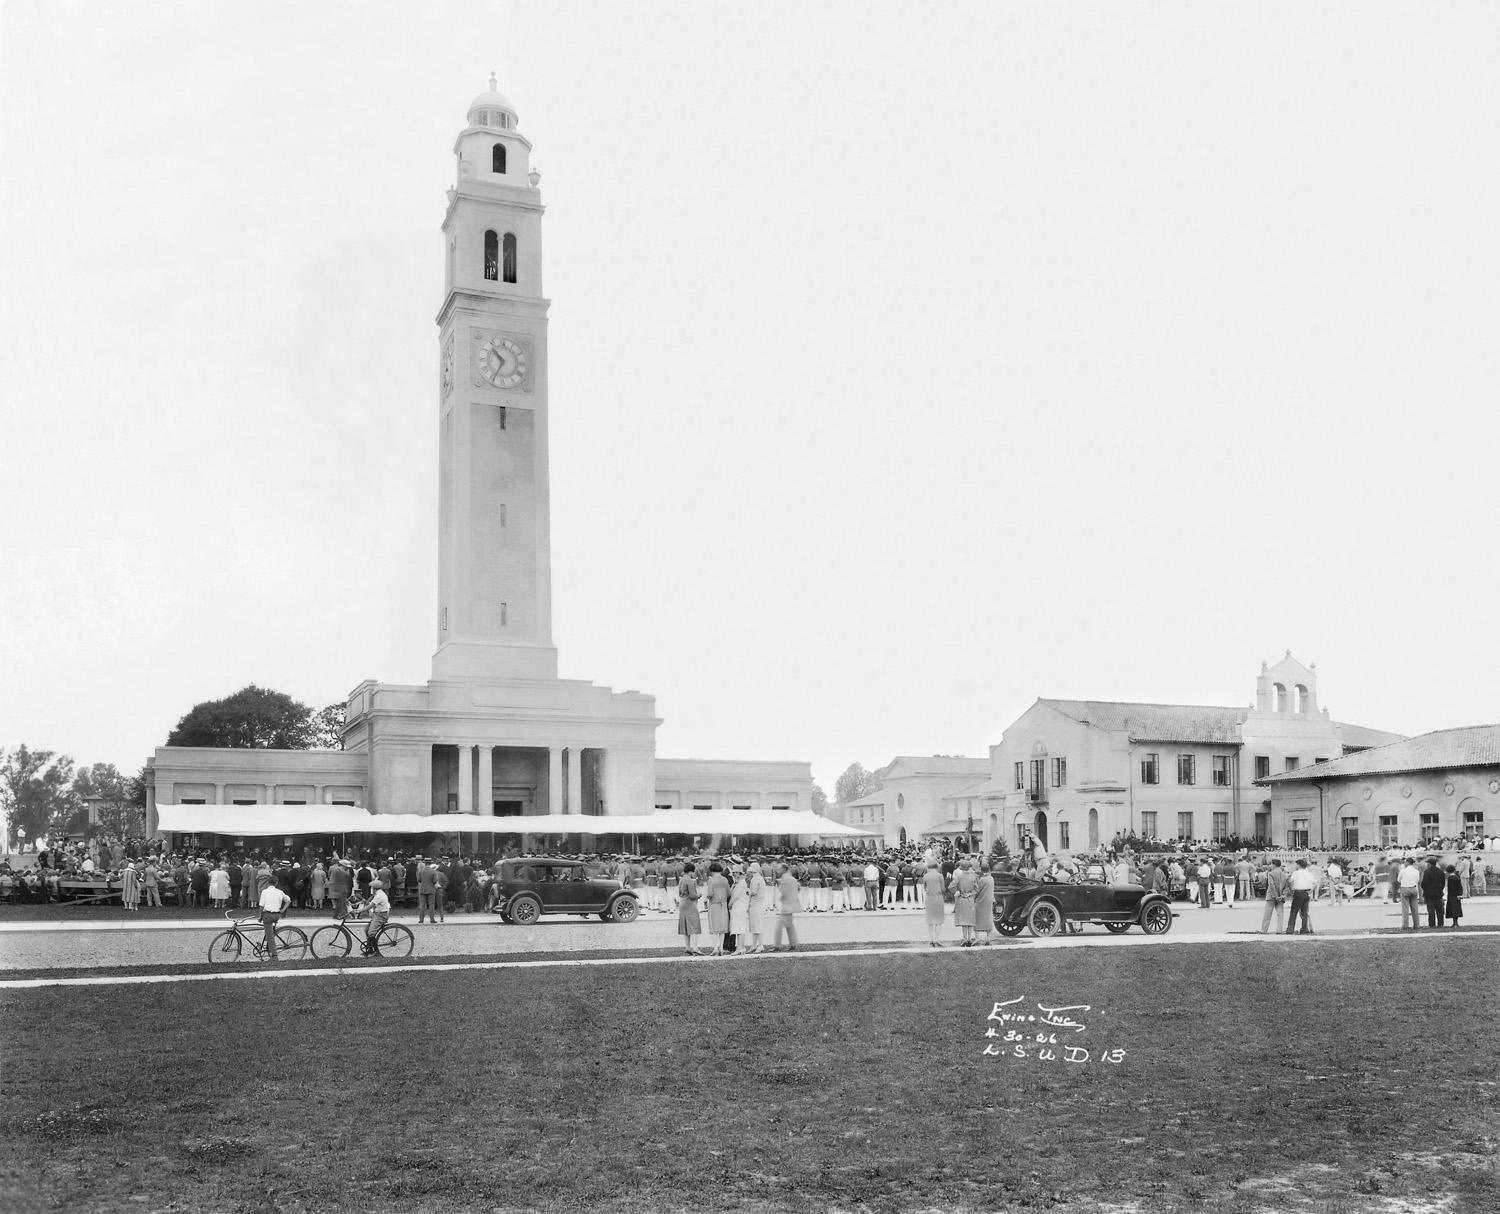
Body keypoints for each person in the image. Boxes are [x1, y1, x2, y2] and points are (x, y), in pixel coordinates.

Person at [258, 877, 292, 961]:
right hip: (276, 915)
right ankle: (268, 947)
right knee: (269, 933)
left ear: (268, 883)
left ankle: (274, 956)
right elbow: (288, 900)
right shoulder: (280, 892)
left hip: (267, 915)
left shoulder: (265, 892)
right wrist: (283, 910)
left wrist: (260, 916)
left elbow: (261, 906)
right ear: (276, 883)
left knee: (270, 937)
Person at [771, 863, 800, 951]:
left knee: (778, 927)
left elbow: (782, 891)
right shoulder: (792, 878)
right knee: (789, 926)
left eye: (779, 869)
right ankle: (793, 944)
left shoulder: (785, 879)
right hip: (791, 905)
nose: (778, 871)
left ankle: (777, 945)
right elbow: (799, 888)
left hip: (786, 906)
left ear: (784, 869)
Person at [677, 864, 704, 955]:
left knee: (685, 926)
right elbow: (692, 896)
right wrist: (699, 895)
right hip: (690, 904)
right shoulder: (690, 881)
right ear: (691, 871)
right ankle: (695, 948)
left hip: (682, 903)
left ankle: (687, 947)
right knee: (694, 925)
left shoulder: (681, 879)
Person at [705, 863, 730, 956]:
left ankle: (716, 948)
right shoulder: (725, 879)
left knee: (715, 928)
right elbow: (728, 893)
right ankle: (721, 948)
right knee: (722, 928)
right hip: (723, 904)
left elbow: (710, 894)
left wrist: (708, 896)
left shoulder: (711, 880)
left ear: (711, 871)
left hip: (714, 904)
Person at [1285, 859, 1315, 935]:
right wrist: (1311, 890)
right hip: (1306, 893)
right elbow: (1315, 883)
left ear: (1299, 865)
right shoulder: (1309, 873)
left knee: (1294, 911)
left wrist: (1291, 888)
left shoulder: (1296, 873)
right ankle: (1304, 929)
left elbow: (1290, 881)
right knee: (1304, 912)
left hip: (1298, 892)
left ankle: (1290, 929)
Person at [952, 859, 978, 946]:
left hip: (962, 899)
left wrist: (957, 891)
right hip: (970, 899)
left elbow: (951, 886)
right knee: (970, 921)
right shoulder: (973, 876)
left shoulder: (959, 876)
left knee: (964, 921)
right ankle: (970, 939)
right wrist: (971, 893)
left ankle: (964, 938)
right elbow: (977, 889)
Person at [1260, 859, 1290, 934]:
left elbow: (1272, 885)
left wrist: (1275, 896)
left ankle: (1264, 930)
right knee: (1280, 914)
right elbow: (1287, 887)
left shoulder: (1271, 873)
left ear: (1273, 864)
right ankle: (1279, 930)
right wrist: (1282, 895)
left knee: (1267, 914)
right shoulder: (1284, 875)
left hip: (1271, 896)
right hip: (1281, 897)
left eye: (1271, 864)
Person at [922, 861, 947, 947]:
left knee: (930, 921)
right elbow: (943, 889)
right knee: (938, 920)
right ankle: (936, 939)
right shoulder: (940, 876)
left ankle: (931, 939)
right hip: (938, 897)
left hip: (929, 898)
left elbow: (924, 887)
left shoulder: (925, 876)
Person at [745, 861, 767, 953]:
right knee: (755, 926)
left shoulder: (755, 879)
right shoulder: (760, 878)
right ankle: (754, 945)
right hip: (758, 904)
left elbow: (754, 892)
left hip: (755, 904)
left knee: (757, 926)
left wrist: (747, 891)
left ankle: (760, 945)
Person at [363, 879, 390, 955]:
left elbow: (371, 906)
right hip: (377, 914)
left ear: (374, 888)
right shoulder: (378, 894)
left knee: (371, 933)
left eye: (371, 887)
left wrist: (359, 911)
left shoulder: (379, 895)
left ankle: (377, 952)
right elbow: (371, 901)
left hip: (381, 915)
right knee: (367, 929)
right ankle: (370, 949)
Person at [1420, 857, 1446, 928]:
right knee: (1439, 910)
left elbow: (1423, 883)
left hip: (1429, 894)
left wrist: (1426, 890)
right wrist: (1440, 889)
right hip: (1439, 893)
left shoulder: (1427, 872)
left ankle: (1432, 924)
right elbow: (1443, 883)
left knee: (1431, 910)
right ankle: (1440, 923)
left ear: (1429, 864)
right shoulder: (1440, 871)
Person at [973, 860, 995, 946]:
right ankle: (988, 939)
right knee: (988, 920)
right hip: (988, 901)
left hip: (980, 902)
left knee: (977, 920)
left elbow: (977, 890)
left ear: (982, 870)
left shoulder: (982, 880)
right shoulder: (991, 879)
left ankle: (977, 938)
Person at [728, 866, 749, 953]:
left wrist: (730, 904)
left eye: (736, 872)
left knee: (739, 928)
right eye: (733, 873)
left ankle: (740, 948)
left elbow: (735, 896)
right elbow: (729, 893)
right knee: (738, 927)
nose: (734, 874)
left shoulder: (742, 883)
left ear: (740, 873)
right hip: (737, 907)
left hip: (739, 906)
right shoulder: (737, 883)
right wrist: (733, 885)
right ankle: (741, 947)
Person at [1397, 857, 1422, 929]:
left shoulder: (1403, 871)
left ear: (1407, 862)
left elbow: (1398, 880)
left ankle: (1405, 925)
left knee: (1405, 908)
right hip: (1414, 888)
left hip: (1405, 888)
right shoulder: (1416, 871)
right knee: (1415, 908)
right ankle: (1417, 925)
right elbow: (1418, 880)